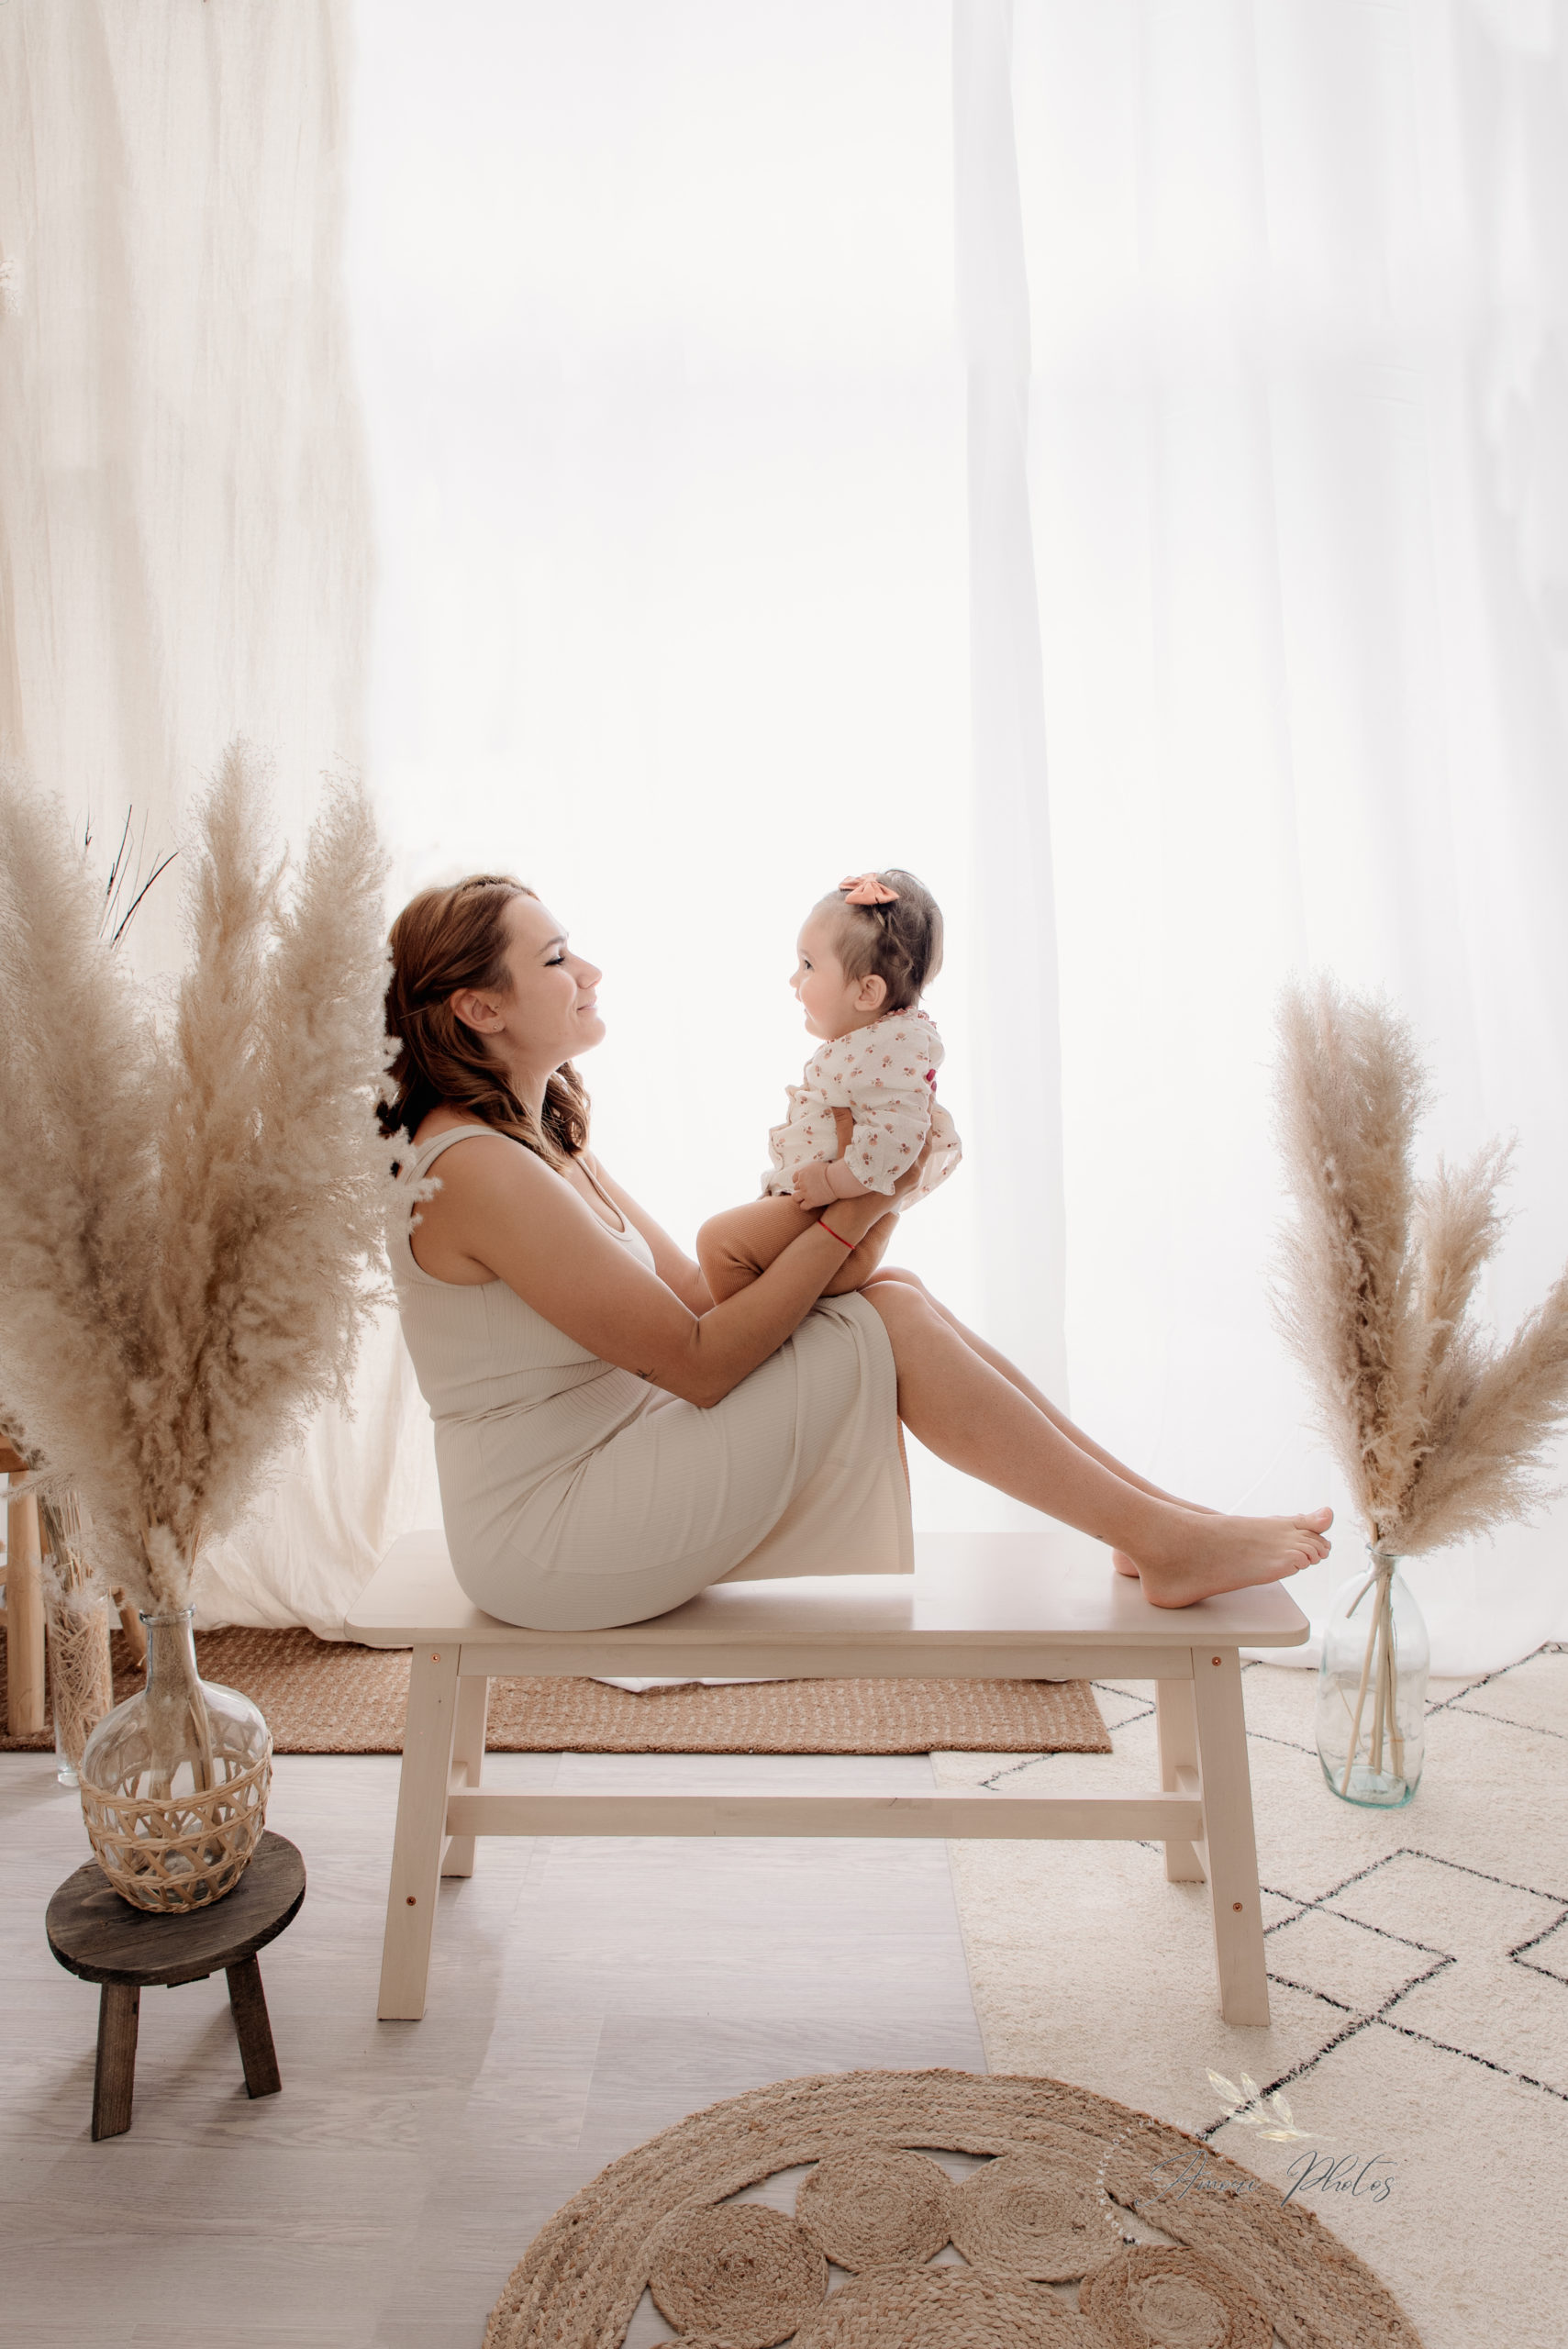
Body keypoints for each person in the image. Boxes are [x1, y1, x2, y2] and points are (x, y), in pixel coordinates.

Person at [381, 874, 1332, 1632]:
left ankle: (1162, 1525)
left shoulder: (540, 1139)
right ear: (479, 1009)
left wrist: (861, 1180)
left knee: (893, 1295)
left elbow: (700, 1296)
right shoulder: (474, 1166)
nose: (589, 969)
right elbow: (699, 1363)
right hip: (548, 1532)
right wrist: (858, 1206)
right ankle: (1161, 1537)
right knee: (885, 1314)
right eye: (555, 958)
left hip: (608, 1461)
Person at [697, 869, 962, 1306]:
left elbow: (897, 1140)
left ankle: (775, 1341)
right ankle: (775, 1329)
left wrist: (833, 1183)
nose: (793, 980)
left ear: (868, 992)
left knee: (720, 1244)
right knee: (722, 1252)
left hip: (843, 1223)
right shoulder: (877, 1042)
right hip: (829, 1213)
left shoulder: (893, 1047)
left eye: (808, 965)